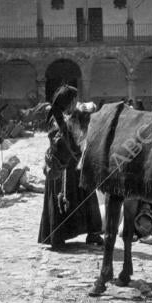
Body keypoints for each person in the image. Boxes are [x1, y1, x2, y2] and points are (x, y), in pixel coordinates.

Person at [38, 85, 103, 249]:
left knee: (86, 197)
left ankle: (93, 233)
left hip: (74, 164)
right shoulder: (58, 119)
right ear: (69, 101)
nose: (76, 102)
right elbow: (66, 142)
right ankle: (58, 237)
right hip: (62, 167)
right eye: (74, 99)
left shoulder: (70, 115)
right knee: (65, 199)